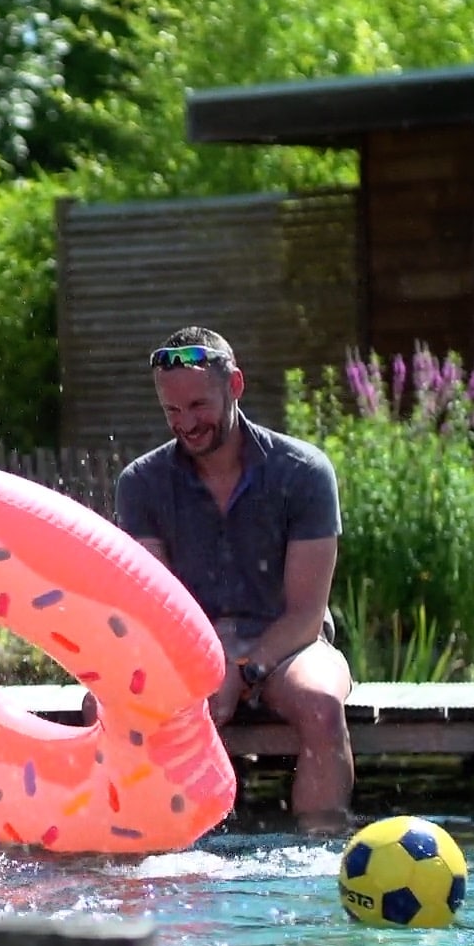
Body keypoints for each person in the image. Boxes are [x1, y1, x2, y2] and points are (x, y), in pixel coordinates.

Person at [105, 326, 355, 833]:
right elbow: (153, 608)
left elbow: (306, 614)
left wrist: (246, 669)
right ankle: (134, 846)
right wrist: (202, 669)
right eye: (172, 412)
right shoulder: (141, 483)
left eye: (199, 406)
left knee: (323, 706)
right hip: (187, 646)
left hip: (289, 644)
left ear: (235, 386)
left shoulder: (304, 471)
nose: (187, 424)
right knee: (103, 706)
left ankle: (319, 855)